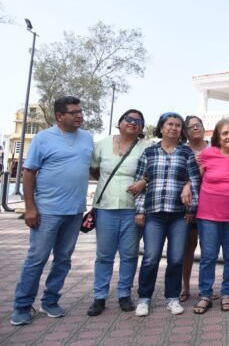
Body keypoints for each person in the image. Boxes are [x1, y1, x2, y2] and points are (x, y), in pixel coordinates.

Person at [11, 96, 93, 326]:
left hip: (75, 211)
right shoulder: (43, 138)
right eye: (74, 112)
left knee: (63, 259)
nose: (79, 115)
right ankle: (22, 305)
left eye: (80, 111)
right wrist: (30, 207)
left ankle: (50, 301)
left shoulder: (87, 138)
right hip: (47, 211)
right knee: (37, 258)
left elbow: (91, 168)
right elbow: (29, 173)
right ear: (59, 116)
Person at [133, 112, 201, 317]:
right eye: (169, 124)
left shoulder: (186, 153)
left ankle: (172, 298)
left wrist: (191, 208)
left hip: (179, 215)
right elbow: (140, 184)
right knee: (150, 258)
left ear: (181, 130)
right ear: (161, 127)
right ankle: (144, 298)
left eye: (178, 125)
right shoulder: (149, 153)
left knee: (176, 258)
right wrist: (139, 210)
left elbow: (195, 181)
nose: (173, 128)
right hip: (154, 214)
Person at [86, 109, 151, 317]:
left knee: (129, 254)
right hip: (105, 207)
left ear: (142, 127)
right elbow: (94, 169)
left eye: (138, 121)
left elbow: (153, 172)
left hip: (133, 208)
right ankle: (99, 296)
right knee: (104, 255)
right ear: (120, 122)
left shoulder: (146, 147)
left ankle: (124, 294)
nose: (133, 123)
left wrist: (144, 182)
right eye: (129, 119)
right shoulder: (103, 144)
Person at [192, 119, 229, 314]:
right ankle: (205, 295)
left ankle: (226, 293)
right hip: (208, 214)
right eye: (225, 133)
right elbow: (194, 177)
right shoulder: (207, 154)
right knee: (208, 256)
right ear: (217, 136)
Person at [180, 115, 208, 303]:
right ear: (185, 132)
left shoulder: (214, 148)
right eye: (191, 127)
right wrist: (189, 181)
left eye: (198, 125)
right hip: (188, 204)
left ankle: (206, 287)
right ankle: (185, 286)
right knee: (188, 246)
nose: (196, 128)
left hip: (210, 204)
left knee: (208, 247)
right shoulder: (181, 150)